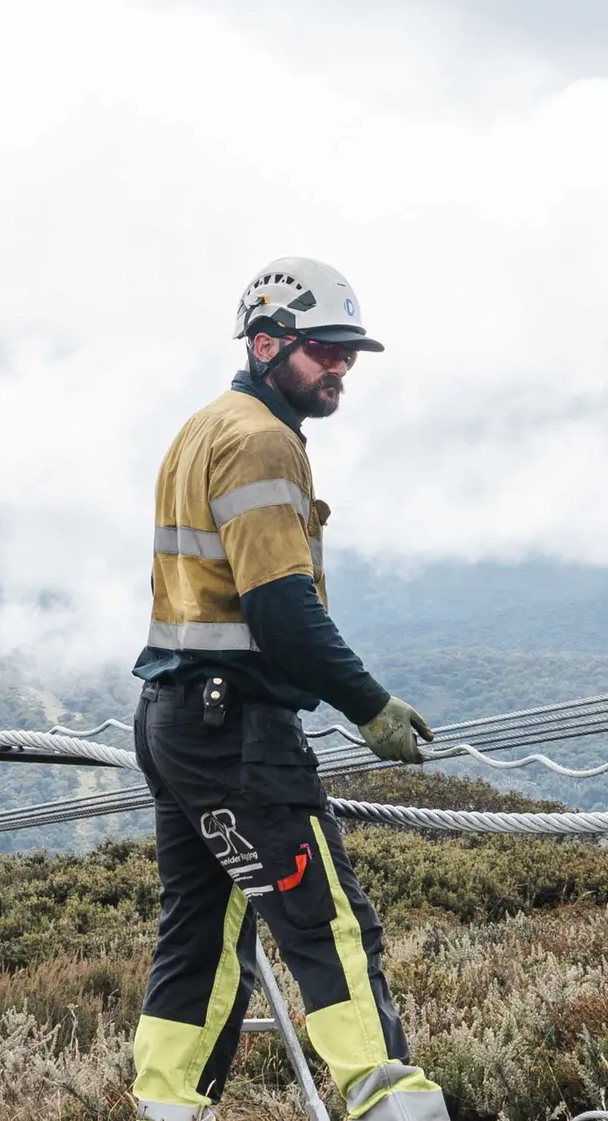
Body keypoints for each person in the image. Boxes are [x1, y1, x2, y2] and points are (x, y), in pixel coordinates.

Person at [127, 260, 447, 1121]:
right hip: (235, 725)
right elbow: (282, 610)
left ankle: (166, 1101)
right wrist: (370, 704)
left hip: (170, 719)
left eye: (349, 354)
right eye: (323, 350)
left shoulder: (200, 427)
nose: (340, 367)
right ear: (266, 343)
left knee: (203, 927)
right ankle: (394, 1102)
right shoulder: (263, 438)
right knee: (328, 920)